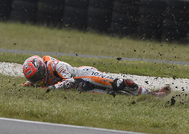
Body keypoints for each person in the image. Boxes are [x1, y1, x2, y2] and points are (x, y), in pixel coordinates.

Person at [21, 55, 171, 97]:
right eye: (34, 78)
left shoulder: (55, 65)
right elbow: (32, 85)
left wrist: (50, 89)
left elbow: (69, 81)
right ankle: (145, 97)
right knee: (115, 96)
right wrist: (25, 85)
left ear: (43, 67)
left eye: (39, 75)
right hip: (81, 89)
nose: (38, 80)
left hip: (85, 75)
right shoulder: (38, 81)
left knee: (118, 85)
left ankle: (154, 94)